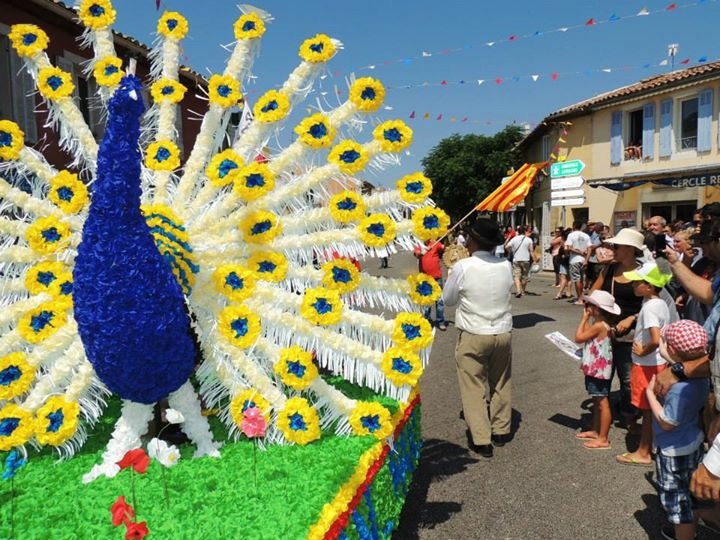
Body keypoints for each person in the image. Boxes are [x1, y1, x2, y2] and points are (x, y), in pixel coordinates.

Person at [443, 218, 513, 458]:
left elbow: (448, 299)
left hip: (473, 331)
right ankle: (501, 429)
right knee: (501, 382)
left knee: (473, 387)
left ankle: (482, 438)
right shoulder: (505, 265)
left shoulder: (463, 267)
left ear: (471, 241)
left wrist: (452, 270)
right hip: (502, 330)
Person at [646, 320, 712, 540]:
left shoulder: (677, 389)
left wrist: (650, 395)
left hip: (673, 450)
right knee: (690, 493)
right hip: (693, 442)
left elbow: (667, 422)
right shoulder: (702, 376)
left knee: (678, 503)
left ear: (672, 349)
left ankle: (683, 535)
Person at [616, 261, 675, 466]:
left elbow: (656, 338)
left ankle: (643, 451)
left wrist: (643, 349)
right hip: (656, 363)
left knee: (647, 410)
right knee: (651, 407)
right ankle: (650, 446)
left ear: (649, 286)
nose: (633, 285)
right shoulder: (659, 303)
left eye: (637, 282)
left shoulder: (650, 307)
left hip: (647, 364)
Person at [591, 228, 646, 427]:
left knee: (627, 378)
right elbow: (592, 294)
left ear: (631, 249)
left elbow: (655, 303)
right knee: (602, 372)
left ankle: (629, 414)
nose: (613, 248)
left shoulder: (645, 271)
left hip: (631, 334)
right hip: (606, 331)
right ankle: (603, 412)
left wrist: (631, 318)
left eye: (617, 246)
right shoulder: (609, 269)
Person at [574, 290, 620, 450]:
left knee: (602, 402)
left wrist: (584, 318)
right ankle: (595, 430)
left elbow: (579, 337)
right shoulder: (600, 325)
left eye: (590, 306)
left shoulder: (600, 326)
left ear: (598, 310)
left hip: (598, 371)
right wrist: (587, 320)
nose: (587, 308)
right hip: (596, 369)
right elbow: (586, 334)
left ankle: (603, 438)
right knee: (596, 399)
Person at [414, 239, 447, 330]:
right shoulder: (418, 244)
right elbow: (417, 254)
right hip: (425, 279)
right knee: (426, 301)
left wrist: (447, 237)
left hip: (437, 277)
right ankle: (427, 321)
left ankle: (440, 321)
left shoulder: (435, 242)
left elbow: (444, 248)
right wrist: (422, 252)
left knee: (439, 301)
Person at [505, 225, 535, 298]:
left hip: (516, 259)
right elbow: (531, 251)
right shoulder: (529, 239)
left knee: (516, 276)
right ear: (525, 231)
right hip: (526, 259)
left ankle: (518, 291)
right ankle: (523, 291)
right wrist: (534, 260)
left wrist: (511, 251)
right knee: (524, 276)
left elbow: (506, 246)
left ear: (518, 232)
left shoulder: (514, 239)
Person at [565, 220, 591, 304]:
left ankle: (580, 298)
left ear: (574, 226)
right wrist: (586, 259)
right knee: (582, 279)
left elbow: (569, 247)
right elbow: (590, 248)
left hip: (574, 260)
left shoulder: (571, 235)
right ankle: (581, 297)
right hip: (584, 260)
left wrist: (579, 252)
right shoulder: (586, 235)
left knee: (577, 279)